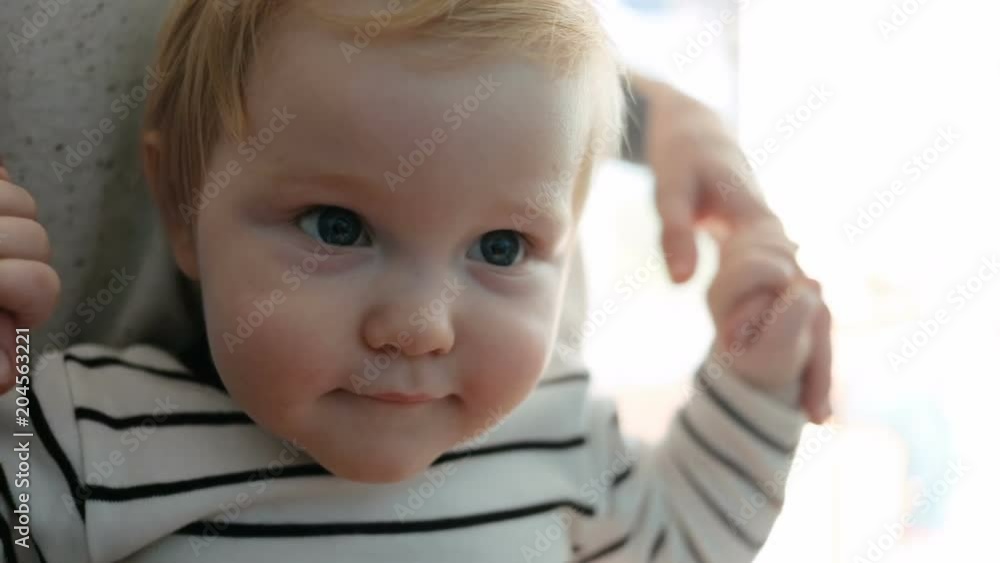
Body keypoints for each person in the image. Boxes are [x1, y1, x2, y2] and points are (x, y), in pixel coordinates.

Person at [0, 1, 830, 561]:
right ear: (185, 207)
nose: (421, 327)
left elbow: (681, 539)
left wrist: (757, 380)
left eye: (502, 246)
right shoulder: (89, 434)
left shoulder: (560, 428)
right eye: (337, 227)